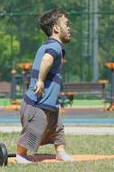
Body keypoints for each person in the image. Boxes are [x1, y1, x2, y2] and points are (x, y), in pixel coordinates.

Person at [16, 9, 73, 163]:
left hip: (49, 103)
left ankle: (60, 152)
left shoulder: (53, 46)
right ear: (56, 28)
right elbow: (47, 60)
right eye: (66, 24)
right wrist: (40, 80)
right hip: (37, 103)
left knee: (57, 128)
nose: (69, 28)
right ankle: (21, 154)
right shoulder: (54, 47)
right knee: (34, 128)